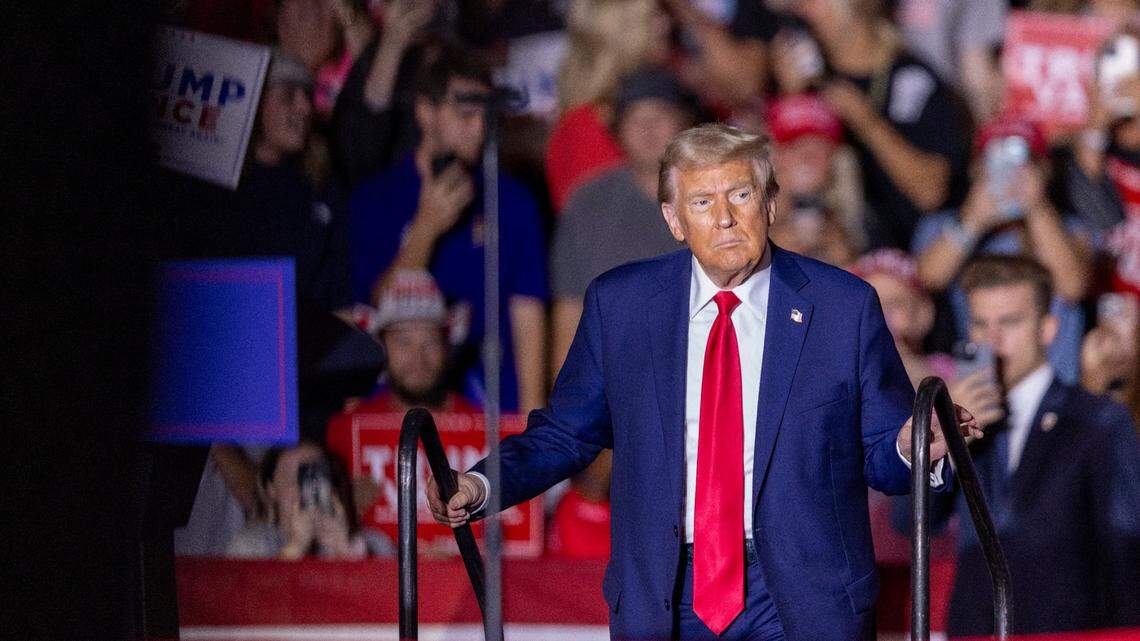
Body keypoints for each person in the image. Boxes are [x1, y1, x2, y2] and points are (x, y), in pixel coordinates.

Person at [428, 124, 979, 641]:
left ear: (769, 204)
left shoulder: (843, 307)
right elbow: (564, 435)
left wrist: (912, 447)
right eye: (701, 202)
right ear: (673, 220)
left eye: (740, 196)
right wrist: (480, 486)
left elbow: (883, 452)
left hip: (799, 596)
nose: (724, 219)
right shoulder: (621, 306)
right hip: (667, 595)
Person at [920, 255, 1140, 637]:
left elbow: (1126, 545)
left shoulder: (1098, 420)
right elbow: (912, 522)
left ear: (1048, 328)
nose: (993, 340)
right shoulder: (953, 419)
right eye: (979, 324)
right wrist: (947, 443)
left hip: (1069, 630)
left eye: (1010, 322)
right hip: (975, 626)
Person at [349, 47, 549, 413]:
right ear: (425, 112)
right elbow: (372, 311)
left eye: (487, 115)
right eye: (465, 114)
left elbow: (527, 316)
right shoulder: (377, 198)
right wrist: (425, 228)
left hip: (490, 406)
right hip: (402, 406)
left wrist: (531, 423)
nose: (480, 127)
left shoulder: (512, 200)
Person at [773, 0, 970, 249]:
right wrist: (793, 98)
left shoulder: (910, 79)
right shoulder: (805, 82)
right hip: (834, 242)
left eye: (814, 2)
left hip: (917, 242)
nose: (801, 9)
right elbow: (779, 191)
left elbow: (931, 193)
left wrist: (864, 120)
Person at [913, 117, 1092, 383]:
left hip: (1056, 384)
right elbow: (926, 279)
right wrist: (974, 219)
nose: (1009, 172)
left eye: (1022, 162)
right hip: (981, 383)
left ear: (1044, 170)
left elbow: (1072, 286)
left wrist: (1036, 206)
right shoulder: (942, 225)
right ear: (976, 169)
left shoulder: (1070, 228)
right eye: (995, 162)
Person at [549, 67, 695, 375]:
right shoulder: (587, 205)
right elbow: (569, 315)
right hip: (612, 390)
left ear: (683, 123)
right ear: (617, 129)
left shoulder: (714, 198)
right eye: (635, 117)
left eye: (660, 114)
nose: (648, 128)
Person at [545, 0, 673, 213]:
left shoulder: (645, 102)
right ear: (622, 31)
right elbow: (607, 221)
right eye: (653, 16)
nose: (666, 24)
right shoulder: (584, 129)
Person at [226, 441, 392, 559]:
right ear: (271, 490)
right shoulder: (252, 546)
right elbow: (248, 604)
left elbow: (386, 603)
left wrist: (347, 552)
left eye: (316, 478)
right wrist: (296, 547)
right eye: (294, 479)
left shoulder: (375, 545)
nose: (305, 490)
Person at [765, 92, 861, 265]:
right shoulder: (747, 227)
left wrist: (848, 262)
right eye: (794, 146)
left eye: (818, 147)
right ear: (773, 157)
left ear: (837, 160)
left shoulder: (866, 223)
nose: (807, 158)